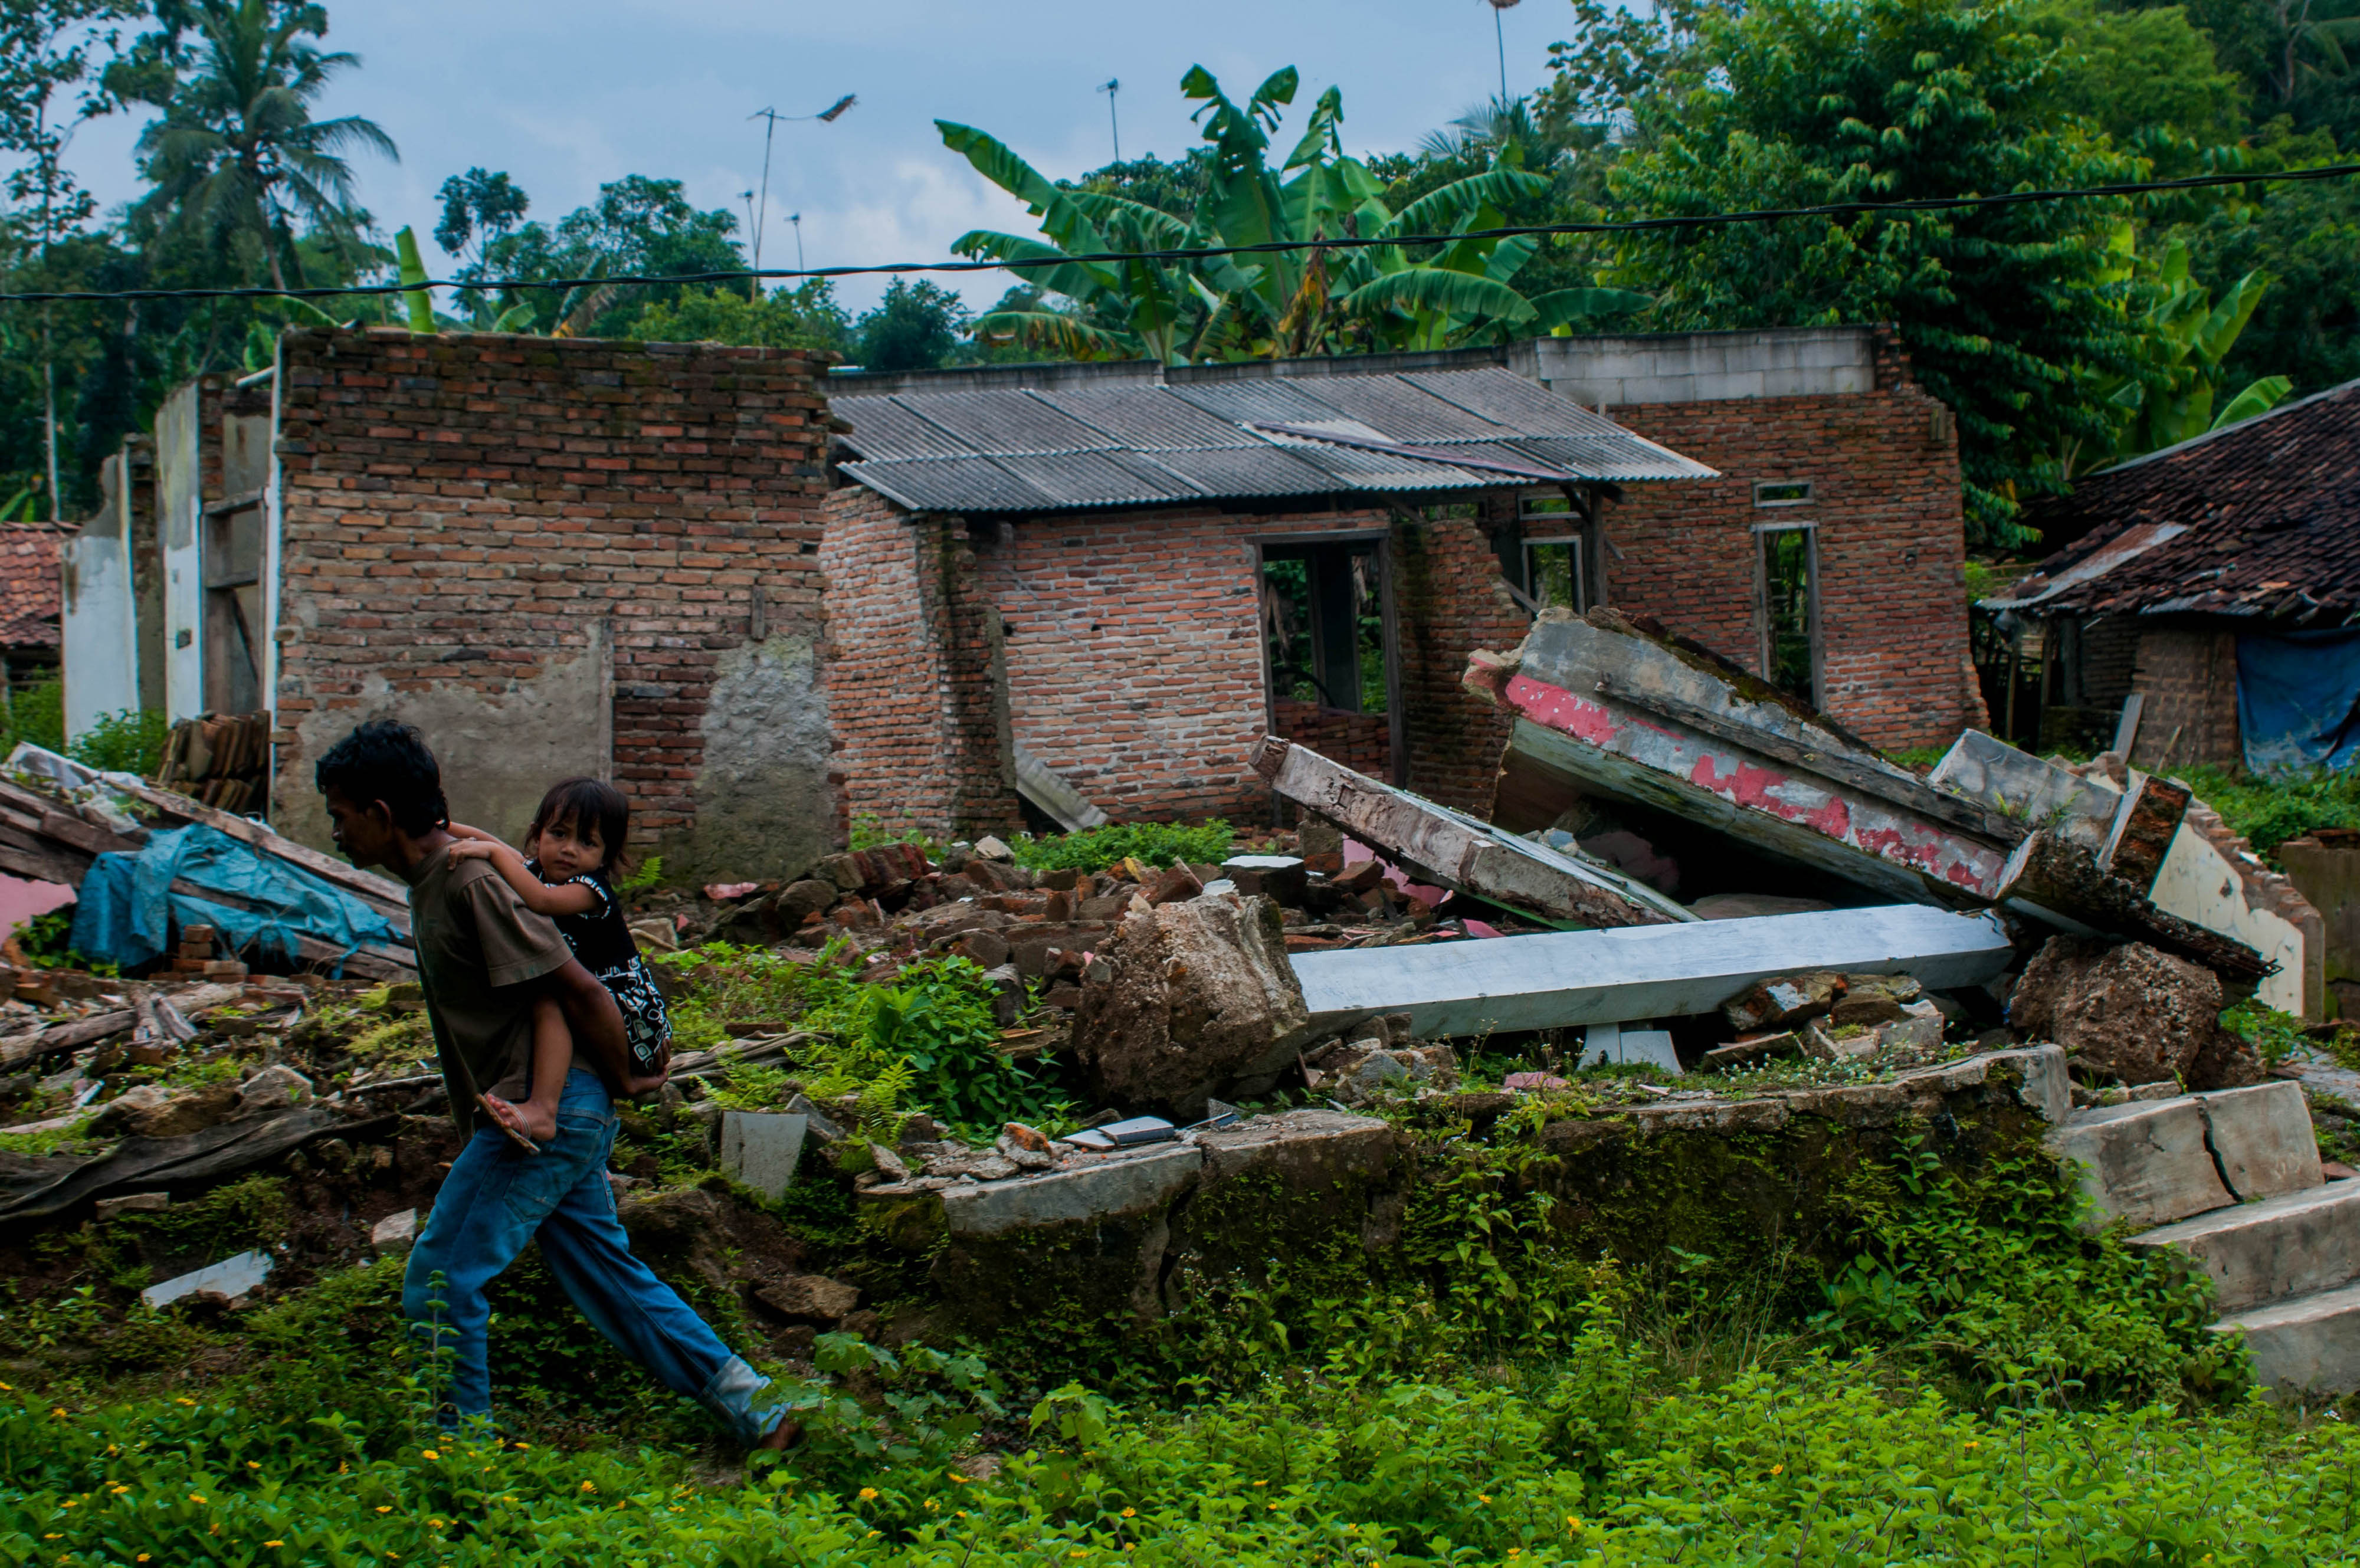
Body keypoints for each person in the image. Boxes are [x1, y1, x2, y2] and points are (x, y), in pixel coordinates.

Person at [314, 720, 791, 1446]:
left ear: (380, 815)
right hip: (557, 1107)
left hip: (550, 1112)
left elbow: (573, 992)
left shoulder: (470, 883)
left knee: (440, 1278)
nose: (335, 832)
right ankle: (760, 1412)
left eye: (340, 815)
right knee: (606, 1273)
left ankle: (458, 1465)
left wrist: (626, 1080)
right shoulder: (440, 875)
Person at [445, 778, 671, 1148]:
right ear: (538, 835)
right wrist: (444, 828)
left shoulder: (590, 890)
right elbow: (491, 841)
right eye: (559, 833)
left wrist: (490, 854)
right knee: (551, 991)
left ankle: (544, 1110)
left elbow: (541, 901)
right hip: (600, 1004)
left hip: (632, 1017)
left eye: (587, 842)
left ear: (605, 855)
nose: (568, 850)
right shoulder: (539, 871)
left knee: (547, 998)